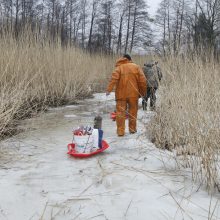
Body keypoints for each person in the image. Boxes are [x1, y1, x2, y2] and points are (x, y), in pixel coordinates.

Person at [106, 54, 147, 137]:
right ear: (130, 59)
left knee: (120, 113)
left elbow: (113, 79)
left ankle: (120, 132)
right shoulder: (136, 67)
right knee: (133, 112)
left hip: (121, 95)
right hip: (133, 94)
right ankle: (132, 129)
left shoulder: (119, 68)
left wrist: (108, 90)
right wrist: (142, 93)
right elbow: (142, 81)